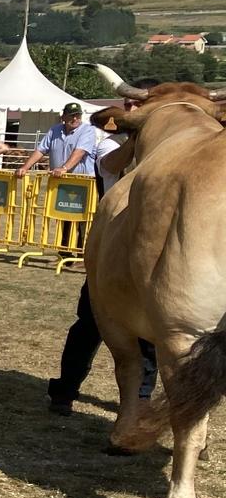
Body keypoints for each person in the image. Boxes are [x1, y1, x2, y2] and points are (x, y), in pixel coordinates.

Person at [48, 115, 154, 415]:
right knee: (90, 324)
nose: (132, 112)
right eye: (131, 107)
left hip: (147, 250)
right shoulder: (110, 144)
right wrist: (137, 140)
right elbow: (110, 166)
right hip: (110, 250)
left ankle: (140, 401)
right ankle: (65, 390)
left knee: (150, 336)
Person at [21, 103, 99, 176]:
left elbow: (80, 152)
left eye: (78, 115)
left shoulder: (88, 130)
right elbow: (40, 150)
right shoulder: (54, 130)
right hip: (58, 179)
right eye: (71, 115)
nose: (75, 118)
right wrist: (25, 168)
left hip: (83, 181)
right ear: (63, 117)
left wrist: (64, 168)